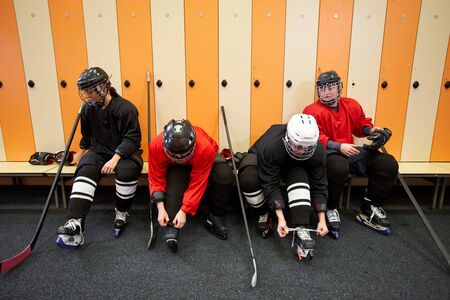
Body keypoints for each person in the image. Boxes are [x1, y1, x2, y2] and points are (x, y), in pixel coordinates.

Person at [56, 67, 143, 249]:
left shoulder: (126, 108)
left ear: (103, 88)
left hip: (127, 153)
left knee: (126, 170)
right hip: (100, 151)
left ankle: (122, 212)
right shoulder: (88, 109)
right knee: (85, 168)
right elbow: (87, 135)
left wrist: (116, 158)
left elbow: (133, 138)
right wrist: (79, 155)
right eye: (85, 92)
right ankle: (76, 222)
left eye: (90, 91)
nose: (88, 96)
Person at [303, 70, 398, 236]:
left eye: (331, 87)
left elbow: (360, 125)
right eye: (323, 88)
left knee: (387, 162)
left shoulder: (352, 105)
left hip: (350, 151)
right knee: (338, 167)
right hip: (328, 153)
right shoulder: (311, 110)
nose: (326, 92)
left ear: (339, 88)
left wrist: (372, 131)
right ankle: (331, 208)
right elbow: (314, 138)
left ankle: (370, 206)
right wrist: (339, 147)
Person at [238, 114, 328, 260]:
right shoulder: (270, 146)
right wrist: (281, 217)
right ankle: (264, 213)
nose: (303, 151)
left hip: (293, 164)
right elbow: (270, 183)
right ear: (289, 138)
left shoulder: (317, 150)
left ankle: (301, 225)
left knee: (300, 175)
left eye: (307, 147)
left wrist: (321, 219)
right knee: (249, 178)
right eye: (299, 146)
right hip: (266, 157)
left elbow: (320, 185)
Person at [148, 119, 233, 253]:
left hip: (202, 157)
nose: (180, 157)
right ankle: (171, 222)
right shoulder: (155, 145)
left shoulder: (205, 148)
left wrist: (184, 210)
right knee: (176, 179)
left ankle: (215, 216)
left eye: (182, 155)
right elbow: (155, 178)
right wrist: (160, 207)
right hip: (173, 164)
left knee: (224, 174)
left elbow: (197, 183)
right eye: (176, 155)